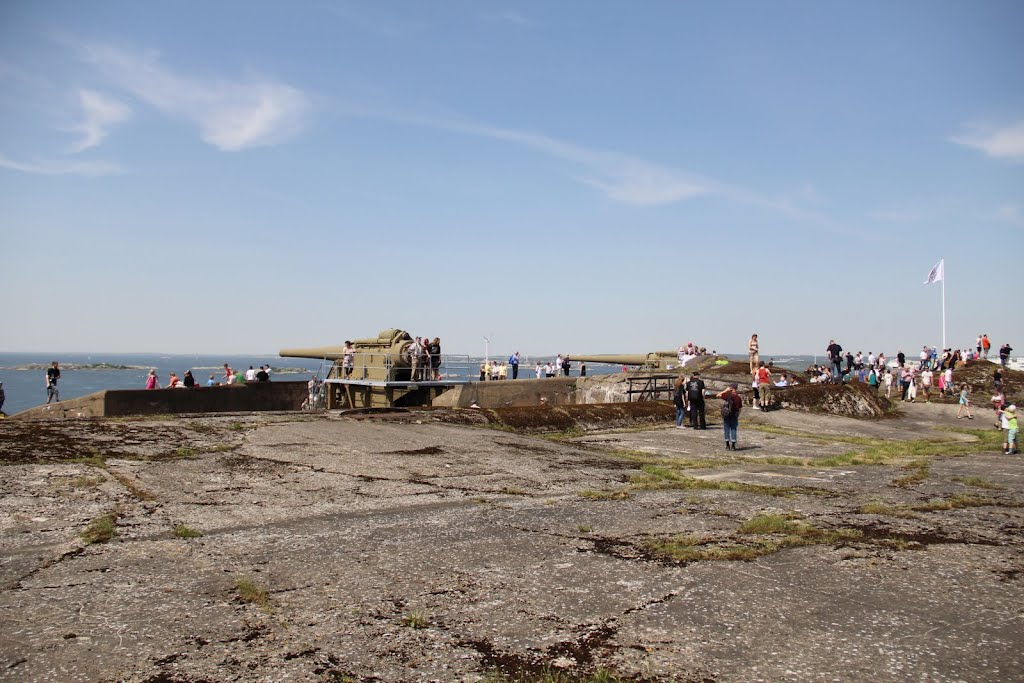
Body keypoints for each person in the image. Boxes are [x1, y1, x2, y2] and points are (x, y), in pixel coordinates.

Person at [717, 382, 743, 450]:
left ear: (731, 388)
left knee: (726, 428)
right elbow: (740, 408)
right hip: (734, 414)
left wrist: (725, 390)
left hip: (727, 414)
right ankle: (733, 445)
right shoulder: (738, 397)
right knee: (734, 429)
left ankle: (727, 445)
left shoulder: (727, 395)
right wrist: (738, 415)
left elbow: (718, 395)